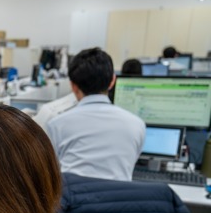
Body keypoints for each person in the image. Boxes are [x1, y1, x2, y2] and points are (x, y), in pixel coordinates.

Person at [46, 47, 145, 181]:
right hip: (119, 201)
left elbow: (51, 173)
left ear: (73, 86)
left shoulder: (57, 124)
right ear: (112, 81)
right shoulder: (137, 124)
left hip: (73, 200)